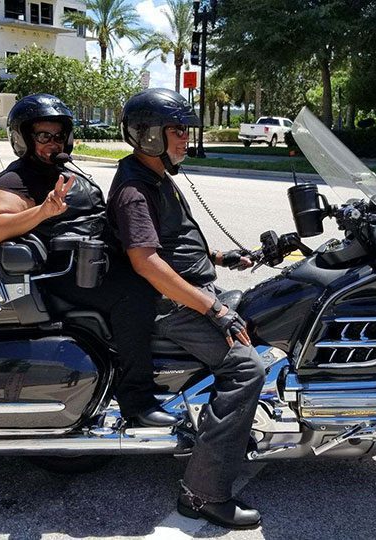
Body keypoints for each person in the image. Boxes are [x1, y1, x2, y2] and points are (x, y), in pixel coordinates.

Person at [106, 88, 264, 530]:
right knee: (246, 369)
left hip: (185, 290)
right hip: (171, 306)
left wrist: (218, 257)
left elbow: (170, 243)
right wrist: (214, 310)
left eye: (185, 130)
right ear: (148, 135)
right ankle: (203, 494)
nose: (185, 139)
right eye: (176, 130)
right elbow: (146, 261)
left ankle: (232, 431)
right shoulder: (135, 188)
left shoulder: (156, 176)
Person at [0, 93, 177, 428]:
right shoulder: (19, 177)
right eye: (43, 136)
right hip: (64, 274)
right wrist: (43, 211)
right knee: (136, 294)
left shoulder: (64, 169)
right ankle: (137, 401)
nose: (53, 143)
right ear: (24, 139)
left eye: (58, 136)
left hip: (94, 262)